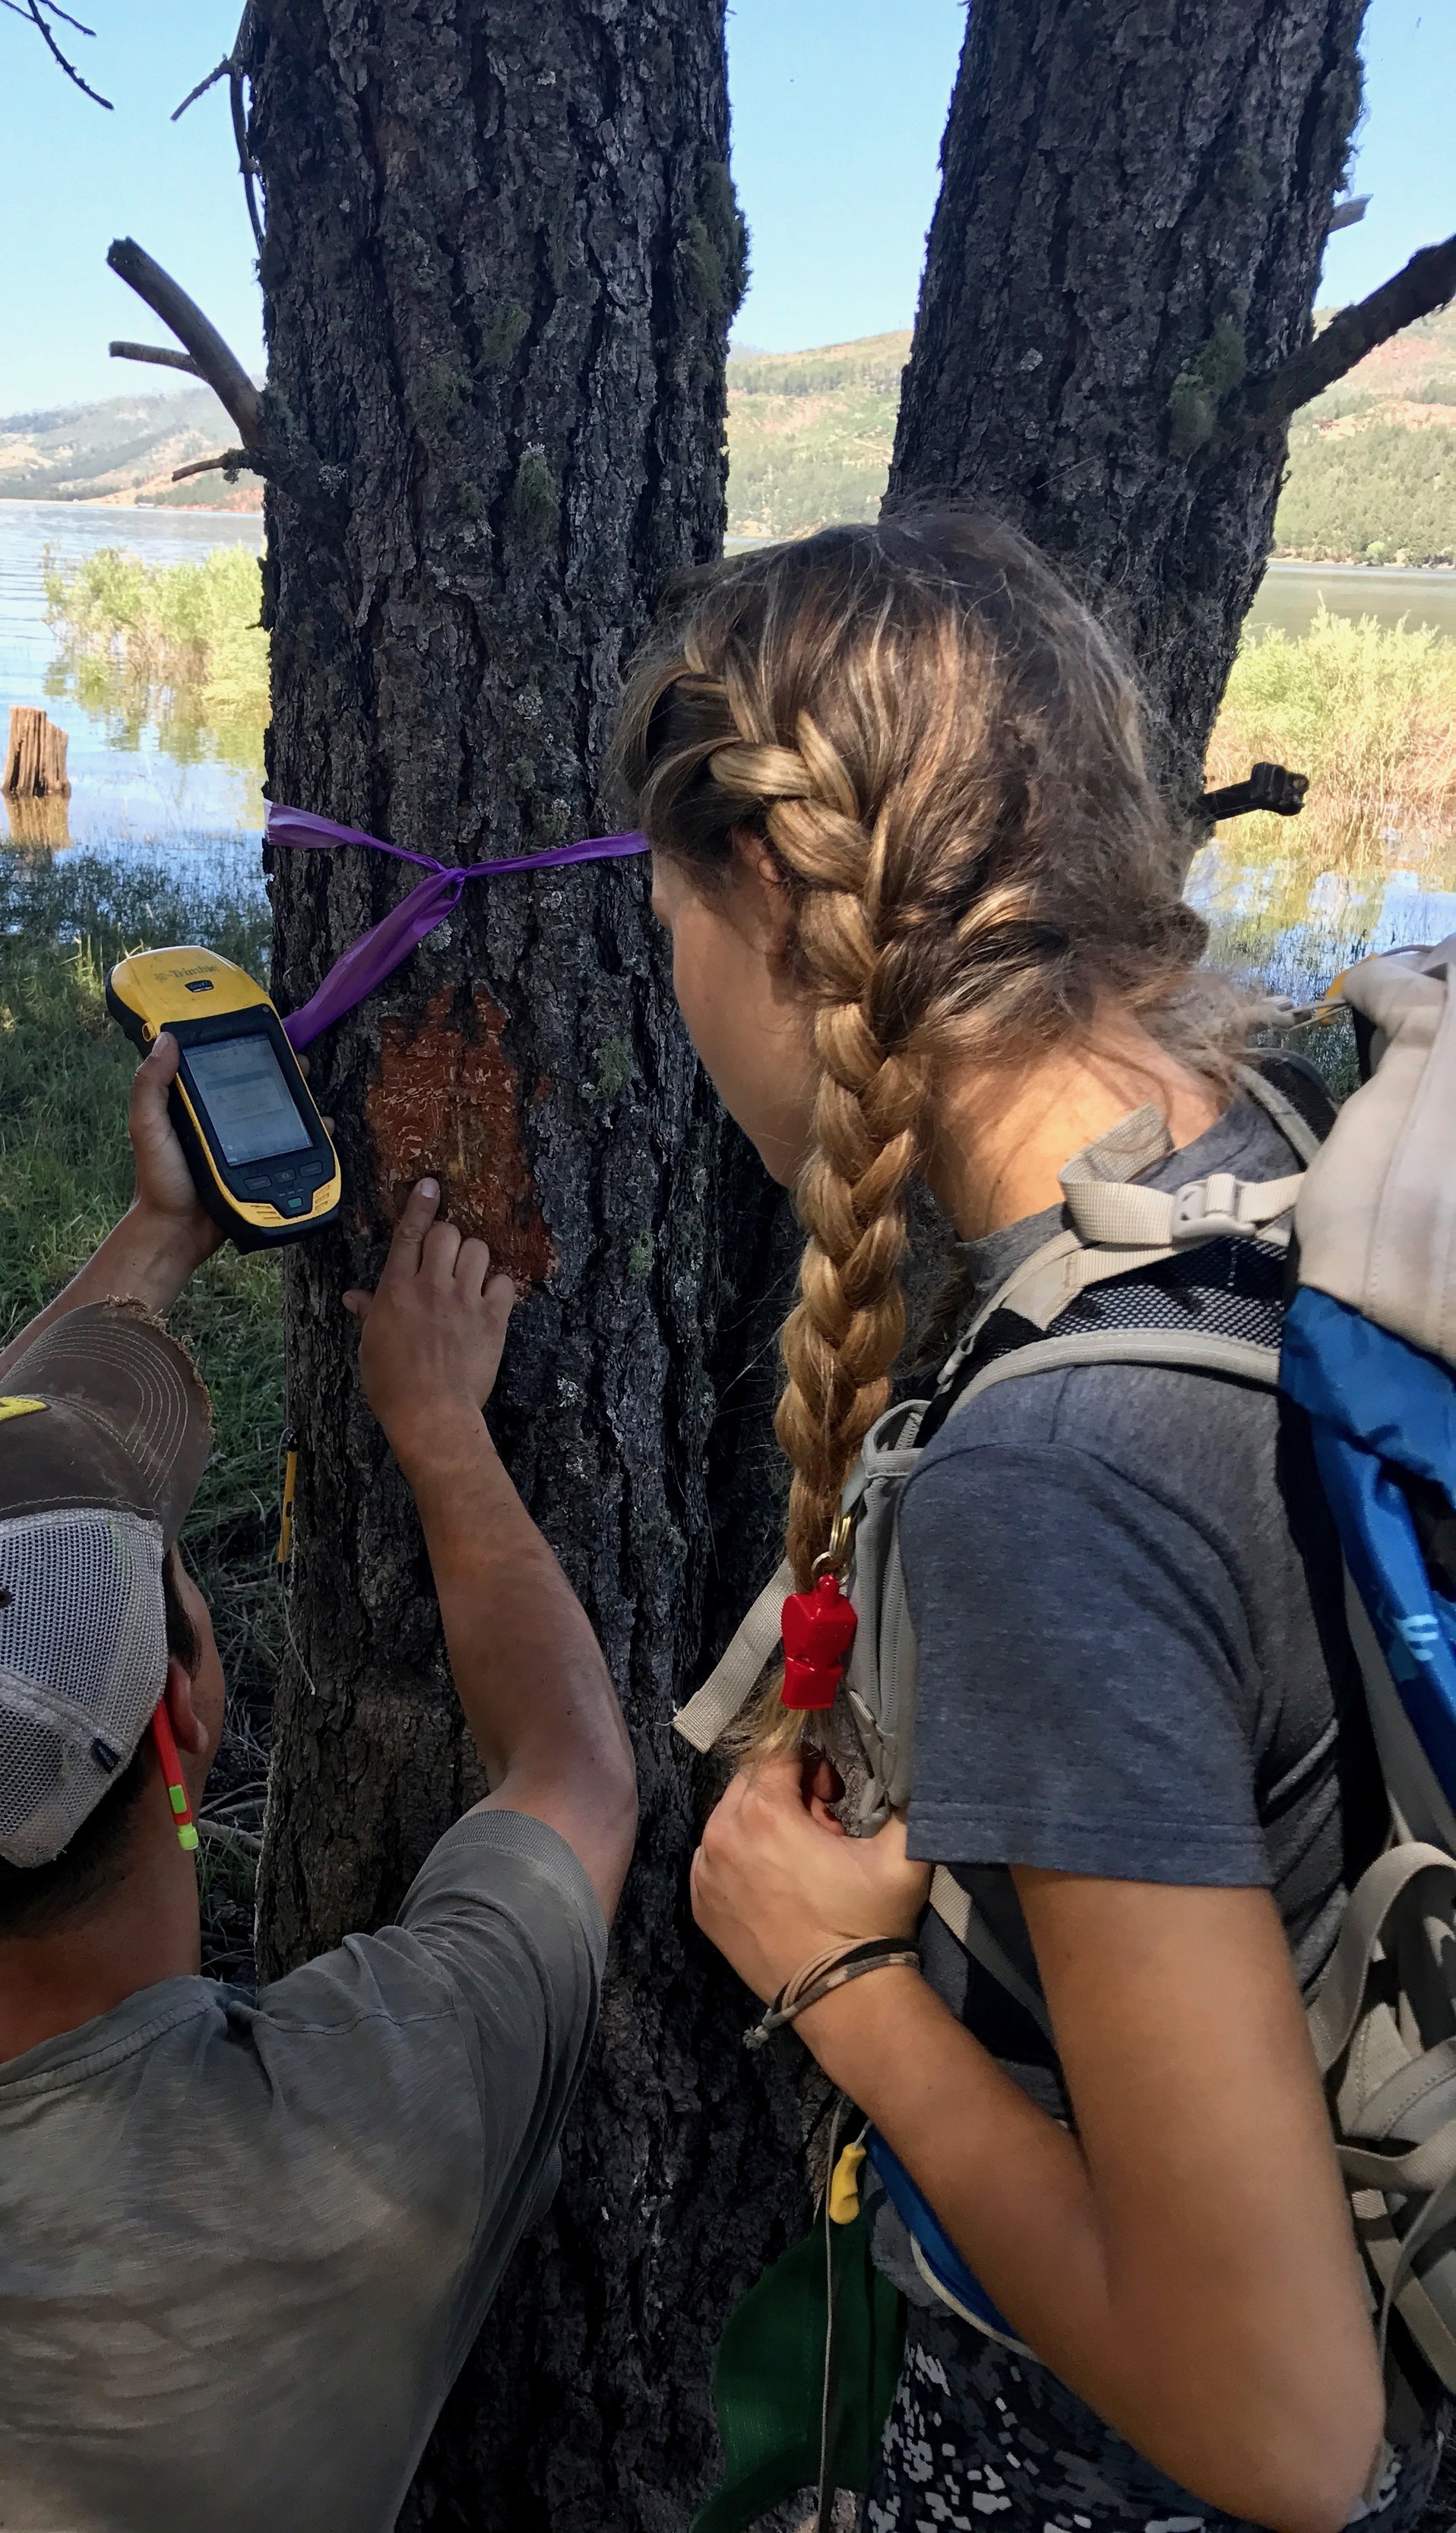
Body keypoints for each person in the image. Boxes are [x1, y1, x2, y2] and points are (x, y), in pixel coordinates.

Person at [615, 515, 1442, 2533]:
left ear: (774, 895)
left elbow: (1277, 2425)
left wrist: (835, 1987)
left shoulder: (1055, 1485)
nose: (678, 999)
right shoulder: (1288, 1180)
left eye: (670, 939)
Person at [0, 1027, 636, 2532]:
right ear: (187, 1704)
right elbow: (573, 1772)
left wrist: (162, 1228)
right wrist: (443, 1432)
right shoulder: (334, 2139)